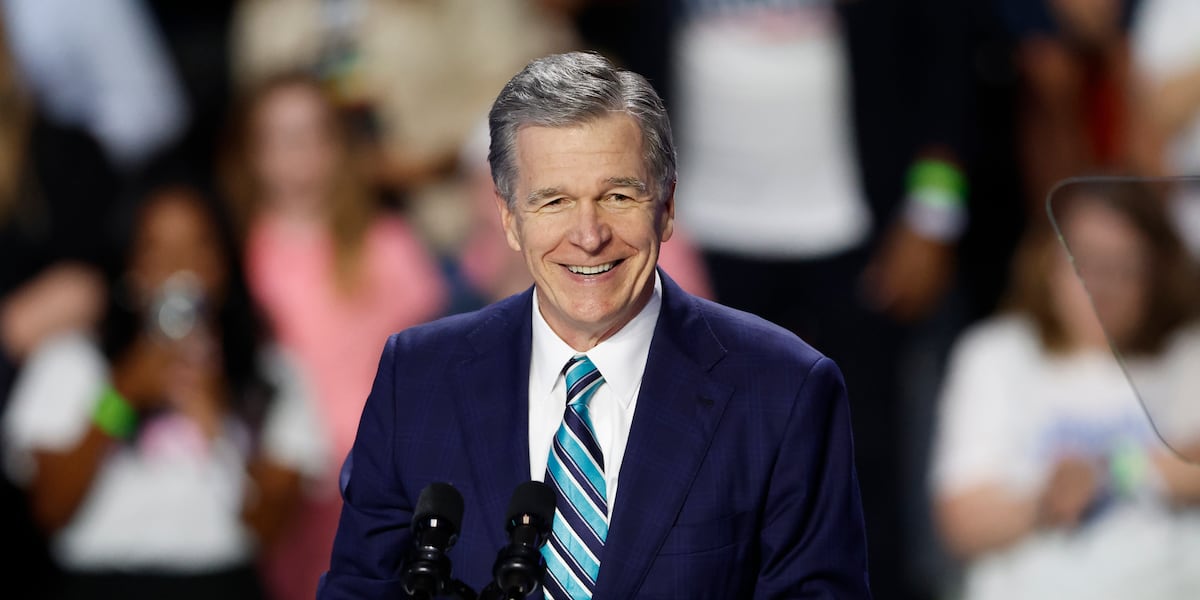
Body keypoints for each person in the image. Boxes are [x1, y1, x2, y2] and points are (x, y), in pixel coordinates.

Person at [319, 51, 869, 599]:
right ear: (509, 219)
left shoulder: (783, 390)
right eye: (554, 201)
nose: (588, 236)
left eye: (617, 196)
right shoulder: (417, 378)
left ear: (667, 207)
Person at [1, 182, 328, 599]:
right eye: (157, 250)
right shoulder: (71, 362)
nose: (178, 267)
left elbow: (269, 529)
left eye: (198, 247)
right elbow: (51, 508)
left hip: (221, 586)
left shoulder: (272, 374)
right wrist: (122, 397)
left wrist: (217, 423)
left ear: (225, 264)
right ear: (130, 267)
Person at [219, 71, 449, 600]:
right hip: (277, 484)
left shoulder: (389, 245)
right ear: (251, 153)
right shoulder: (235, 254)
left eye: (310, 133)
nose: (297, 152)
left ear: (337, 145)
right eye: (279, 136)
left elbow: (431, 367)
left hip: (373, 485)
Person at [930, 181, 1200, 599]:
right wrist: (1047, 502)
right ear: (1048, 263)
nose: (1100, 287)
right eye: (1083, 261)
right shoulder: (997, 354)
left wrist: (1112, 472)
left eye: (1122, 265)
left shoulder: (1186, 353)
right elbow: (961, 523)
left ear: (1157, 272)